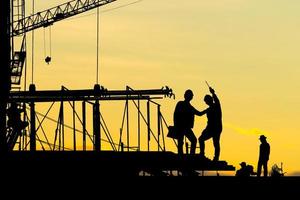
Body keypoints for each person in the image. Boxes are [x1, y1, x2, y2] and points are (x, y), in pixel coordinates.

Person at [173, 89, 202, 155]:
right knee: (183, 141)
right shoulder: (181, 104)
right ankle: (187, 156)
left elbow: (199, 113)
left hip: (185, 127)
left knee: (189, 141)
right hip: (181, 127)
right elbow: (175, 115)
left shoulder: (189, 106)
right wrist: (175, 126)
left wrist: (207, 110)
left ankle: (189, 155)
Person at [198, 86, 222, 161]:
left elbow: (216, 99)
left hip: (216, 128)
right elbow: (200, 113)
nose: (206, 102)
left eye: (206, 101)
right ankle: (202, 154)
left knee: (215, 142)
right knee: (201, 139)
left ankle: (215, 157)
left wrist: (213, 93)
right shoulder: (209, 109)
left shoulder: (216, 106)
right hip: (211, 128)